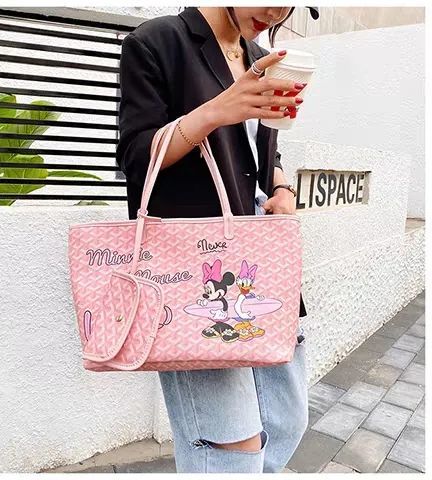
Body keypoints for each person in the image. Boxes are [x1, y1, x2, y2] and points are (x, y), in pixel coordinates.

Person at [117, 6, 318, 473]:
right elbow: (136, 157)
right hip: (196, 279)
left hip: (260, 266)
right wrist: (215, 111)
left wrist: (281, 188)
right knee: (230, 447)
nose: (276, 10)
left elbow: (262, 148)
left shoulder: (262, 56)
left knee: (286, 421)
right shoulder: (157, 41)